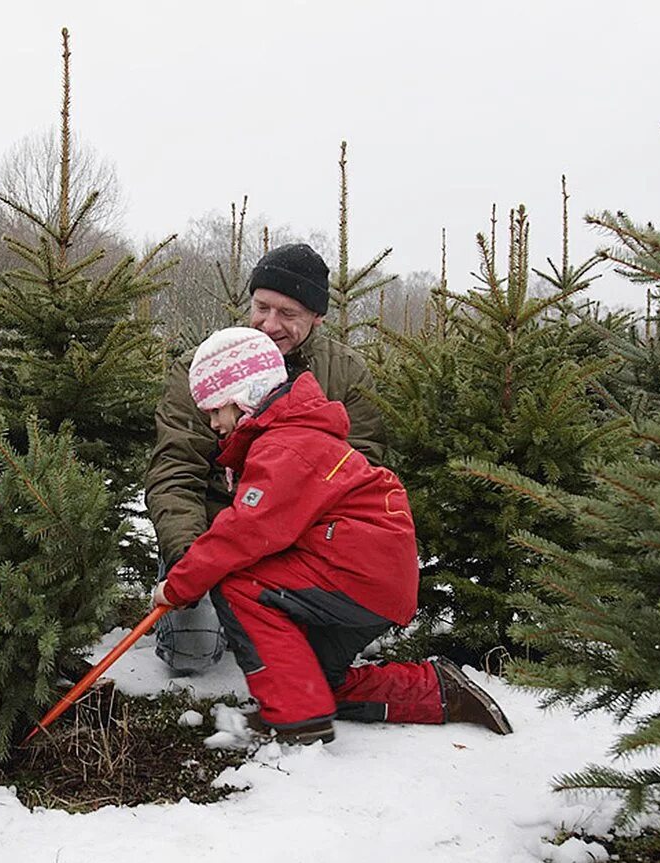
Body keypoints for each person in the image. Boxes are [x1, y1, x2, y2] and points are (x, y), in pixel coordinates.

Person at [150, 326, 513, 744]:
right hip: (374, 580)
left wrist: (178, 586)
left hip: (355, 575)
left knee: (238, 582)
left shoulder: (285, 446)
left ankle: (298, 722)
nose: (212, 423)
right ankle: (438, 691)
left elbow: (242, 534)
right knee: (310, 682)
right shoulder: (291, 435)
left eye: (215, 410)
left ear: (243, 397)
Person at [145, 243, 386, 672]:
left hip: (302, 541)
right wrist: (188, 562)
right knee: (191, 654)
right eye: (261, 307)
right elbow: (175, 470)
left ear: (317, 318)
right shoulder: (202, 368)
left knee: (308, 661)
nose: (269, 324)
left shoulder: (346, 374)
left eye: (288, 314)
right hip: (213, 532)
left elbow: (362, 471)